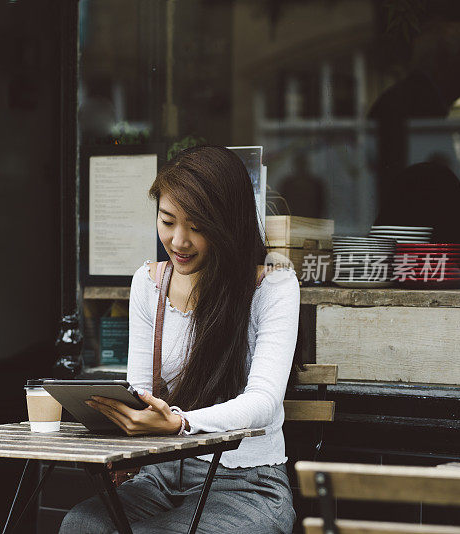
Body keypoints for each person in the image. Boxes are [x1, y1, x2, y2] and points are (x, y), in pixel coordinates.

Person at [59, 145, 299, 534]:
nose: (179, 241)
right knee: (82, 525)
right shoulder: (148, 284)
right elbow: (139, 389)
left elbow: (263, 404)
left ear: (228, 224)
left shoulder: (272, 286)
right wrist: (122, 412)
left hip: (244, 486)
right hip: (157, 477)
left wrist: (180, 423)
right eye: (168, 221)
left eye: (198, 226)